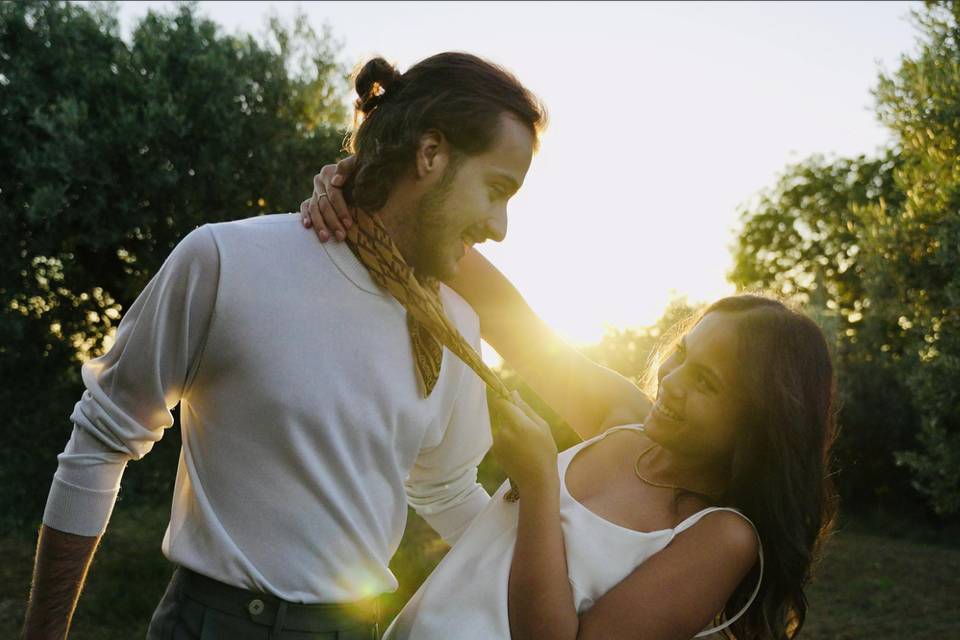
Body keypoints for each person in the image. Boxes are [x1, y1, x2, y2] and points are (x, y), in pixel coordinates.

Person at [21, 52, 546, 640]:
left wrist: (553, 554)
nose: (500, 227)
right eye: (496, 190)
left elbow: (446, 488)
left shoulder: (454, 329)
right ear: (430, 155)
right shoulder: (227, 261)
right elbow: (100, 440)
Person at [303, 166, 838, 639]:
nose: (672, 382)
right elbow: (502, 310)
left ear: (758, 420)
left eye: (706, 383)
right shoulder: (626, 418)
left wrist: (538, 486)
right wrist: (379, 188)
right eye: (681, 356)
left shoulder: (722, 533)